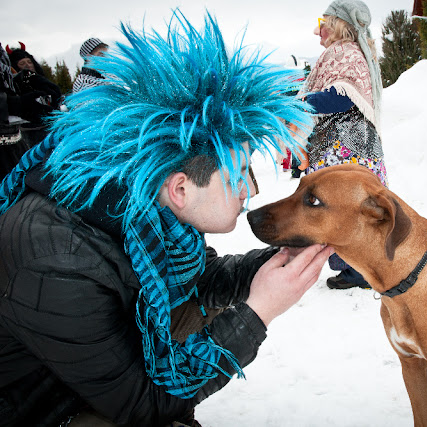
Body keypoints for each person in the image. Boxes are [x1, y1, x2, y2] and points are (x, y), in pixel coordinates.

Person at [0, 13, 330, 427]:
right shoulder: (59, 261)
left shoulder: (146, 204)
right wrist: (259, 311)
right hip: (41, 406)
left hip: (87, 373)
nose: (251, 189)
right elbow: (142, 404)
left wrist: (276, 263)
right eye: (238, 173)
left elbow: (200, 279)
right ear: (181, 189)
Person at [301, 0, 387, 289]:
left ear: (337, 24)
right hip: (356, 144)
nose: (317, 30)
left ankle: (358, 270)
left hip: (345, 145)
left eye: (322, 22)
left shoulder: (344, 53)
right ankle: (361, 267)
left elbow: (341, 97)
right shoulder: (354, 53)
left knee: (339, 205)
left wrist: (300, 103)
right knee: (356, 205)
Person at [0, 43, 55, 180]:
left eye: (29, 62)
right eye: (22, 63)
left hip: (15, 144)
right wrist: (17, 103)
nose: (27, 65)